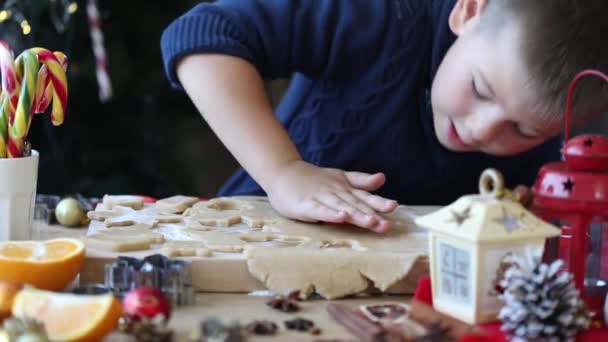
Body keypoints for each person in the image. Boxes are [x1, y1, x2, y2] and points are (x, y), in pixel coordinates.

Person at [161, 0, 608, 233]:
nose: (480, 130)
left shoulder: (564, 121)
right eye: (480, 89)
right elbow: (202, 36)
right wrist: (284, 172)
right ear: (468, 11)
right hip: (248, 244)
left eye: (524, 130)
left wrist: (536, 220)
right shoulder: (383, 16)